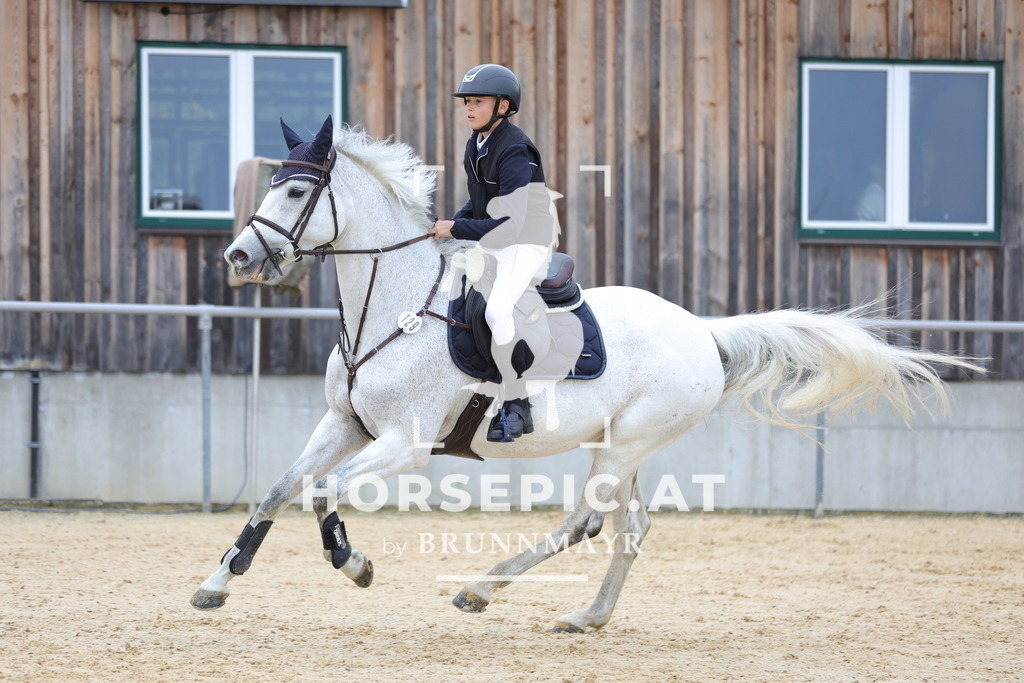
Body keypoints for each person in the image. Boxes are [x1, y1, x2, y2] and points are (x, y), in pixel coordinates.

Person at [430, 64, 558, 442]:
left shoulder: (516, 149)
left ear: (502, 106)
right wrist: (446, 226)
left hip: (526, 242)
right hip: (496, 240)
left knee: (497, 309)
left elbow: (512, 224)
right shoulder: (476, 144)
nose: (469, 108)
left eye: (478, 102)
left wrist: (454, 228)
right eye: (467, 102)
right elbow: (480, 204)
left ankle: (518, 404)